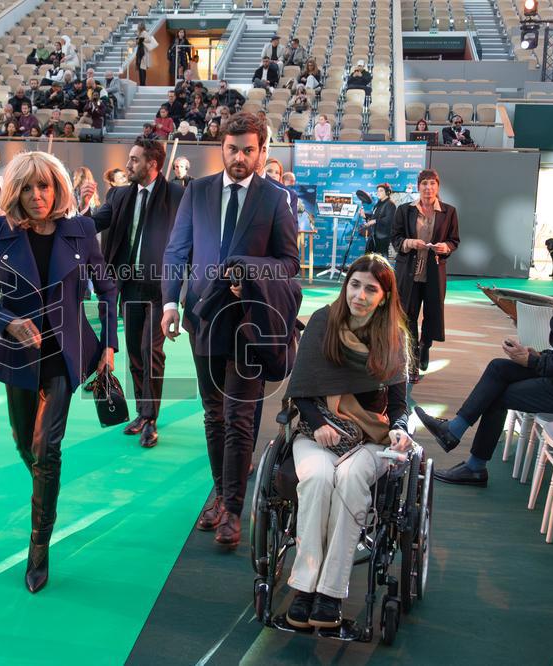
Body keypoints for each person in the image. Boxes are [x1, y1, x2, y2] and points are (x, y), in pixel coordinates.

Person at [0, 151, 117, 593]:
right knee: (26, 446)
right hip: (17, 355)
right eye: (30, 187)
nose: (38, 196)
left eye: (46, 186)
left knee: (46, 449)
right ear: (15, 190)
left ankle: (39, 549)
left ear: (58, 188)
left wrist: (109, 344)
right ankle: (44, 491)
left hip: (64, 354)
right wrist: (7, 322)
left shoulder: (80, 230)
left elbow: (107, 287)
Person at [161, 113, 300, 548]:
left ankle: (233, 511)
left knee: (240, 420)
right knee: (213, 416)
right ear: (221, 147)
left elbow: (290, 264)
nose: (239, 157)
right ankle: (220, 495)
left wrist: (249, 271)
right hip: (202, 316)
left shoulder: (277, 198)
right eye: (232, 148)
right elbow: (176, 250)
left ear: (262, 152)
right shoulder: (197, 192)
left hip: (248, 324)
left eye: (248, 150)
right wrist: (169, 302)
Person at [281, 254, 412, 628]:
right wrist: (320, 421)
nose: (360, 295)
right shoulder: (323, 322)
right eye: (355, 285)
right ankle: (305, 587)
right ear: (346, 285)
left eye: (371, 289)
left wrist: (400, 429)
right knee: (319, 480)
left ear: (384, 297)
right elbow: (301, 393)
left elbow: (400, 407)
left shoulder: (394, 337)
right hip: (317, 432)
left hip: (370, 437)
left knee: (351, 480)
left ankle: (331, 592)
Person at [418, 237, 553, 486]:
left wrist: (533, 360)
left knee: (497, 394)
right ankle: (455, 431)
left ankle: (474, 464)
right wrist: (538, 357)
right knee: (499, 368)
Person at [82, 139, 184, 447]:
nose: (128, 165)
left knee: (151, 351)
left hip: (161, 286)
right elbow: (92, 224)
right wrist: (84, 207)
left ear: (153, 164)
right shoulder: (119, 194)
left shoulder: (178, 196)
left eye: (134, 160)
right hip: (129, 285)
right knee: (136, 354)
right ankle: (143, 412)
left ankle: (150, 418)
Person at [390, 169, 459, 381]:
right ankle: (412, 361)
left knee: (432, 315)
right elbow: (395, 239)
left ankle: (425, 345)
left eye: (432, 184)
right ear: (418, 187)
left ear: (438, 187)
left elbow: (454, 241)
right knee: (408, 317)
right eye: (424, 184)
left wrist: (445, 247)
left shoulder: (449, 211)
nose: (428, 188)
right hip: (408, 273)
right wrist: (410, 243)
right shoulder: (404, 210)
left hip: (433, 272)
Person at [364, 183, 396, 257]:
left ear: (387, 192)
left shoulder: (390, 204)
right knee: (368, 257)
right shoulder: (378, 204)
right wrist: (365, 216)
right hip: (374, 235)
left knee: (381, 260)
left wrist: (375, 221)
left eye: (381, 191)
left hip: (383, 237)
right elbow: (374, 217)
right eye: (377, 191)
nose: (378, 193)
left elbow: (389, 219)